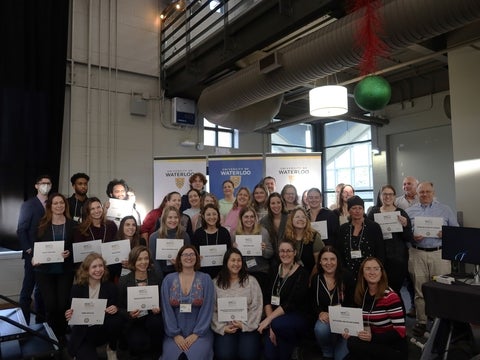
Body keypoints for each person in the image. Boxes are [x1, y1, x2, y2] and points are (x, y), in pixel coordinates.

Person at [405, 181, 458, 337]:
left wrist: (446, 233)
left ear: (433, 193)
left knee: (441, 289)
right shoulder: (409, 211)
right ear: (417, 193)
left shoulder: (445, 210)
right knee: (419, 289)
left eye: (428, 191)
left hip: (439, 254)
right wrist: (412, 238)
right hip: (417, 253)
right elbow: (405, 234)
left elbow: (456, 230)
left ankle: (441, 321)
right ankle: (421, 322)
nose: (425, 194)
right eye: (421, 192)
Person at [344, 257, 407, 360]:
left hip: (392, 347)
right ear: (362, 273)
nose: (372, 272)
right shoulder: (362, 295)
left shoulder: (390, 296)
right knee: (352, 343)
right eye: (368, 269)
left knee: (353, 344)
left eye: (376, 269)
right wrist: (350, 331)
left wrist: (372, 337)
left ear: (381, 273)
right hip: (372, 343)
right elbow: (360, 323)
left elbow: (400, 332)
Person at [33, 193, 76, 340]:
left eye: (61, 203)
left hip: (65, 271)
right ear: (50, 206)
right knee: (50, 305)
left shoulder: (72, 224)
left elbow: (75, 247)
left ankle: (61, 333)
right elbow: (35, 245)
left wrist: (69, 252)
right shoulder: (41, 224)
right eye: (55, 203)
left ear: (65, 205)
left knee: (63, 303)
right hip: (45, 271)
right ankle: (52, 335)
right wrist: (34, 258)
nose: (59, 206)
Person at [257, 240, 310, 360]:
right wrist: (271, 327)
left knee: (279, 328)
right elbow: (267, 297)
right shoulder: (274, 269)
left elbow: (291, 303)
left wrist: (269, 320)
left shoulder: (302, 273)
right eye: (282, 251)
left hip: (295, 316)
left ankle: (296, 343)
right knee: (270, 354)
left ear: (295, 252)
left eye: (288, 251)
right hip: (275, 319)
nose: (285, 254)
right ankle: (292, 347)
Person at [160, 245, 215, 360]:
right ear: (179, 258)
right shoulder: (168, 280)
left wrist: (196, 333)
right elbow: (166, 309)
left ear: (197, 258)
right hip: (173, 333)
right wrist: (175, 334)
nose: (189, 257)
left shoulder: (206, 279)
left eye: (192, 254)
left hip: (201, 333)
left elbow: (207, 308)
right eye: (185, 254)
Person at [65, 253, 123, 360]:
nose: (98, 269)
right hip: (84, 332)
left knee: (116, 320)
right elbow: (71, 311)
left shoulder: (110, 287)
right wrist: (69, 314)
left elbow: (116, 305)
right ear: (86, 270)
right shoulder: (77, 288)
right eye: (94, 266)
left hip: (101, 330)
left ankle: (111, 348)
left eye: (101, 266)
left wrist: (115, 308)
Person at [211, 248, 263, 360]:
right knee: (224, 355)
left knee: (248, 355)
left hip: (247, 326)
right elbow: (212, 309)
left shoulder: (251, 281)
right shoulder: (215, 283)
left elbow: (257, 307)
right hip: (225, 327)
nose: (236, 263)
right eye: (233, 260)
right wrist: (222, 328)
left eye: (239, 260)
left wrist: (244, 325)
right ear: (226, 262)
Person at [118, 246, 164, 358]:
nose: (143, 262)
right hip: (134, 321)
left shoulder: (156, 278)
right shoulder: (124, 280)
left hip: (152, 317)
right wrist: (129, 314)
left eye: (146, 258)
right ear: (133, 261)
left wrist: (159, 308)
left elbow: (162, 301)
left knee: (156, 325)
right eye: (139, 259)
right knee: (137, 344)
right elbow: (120, 307)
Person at [17, 174, 51, 323]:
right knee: (27, 289)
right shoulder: (28, 205)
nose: (46, 185)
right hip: (32, 254)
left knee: (42, 290)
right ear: (36, 186)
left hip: (49, 253)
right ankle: (23, 323)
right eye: (43, 183)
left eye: (48, 183)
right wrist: (28, 250)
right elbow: (21, 229)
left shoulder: (54, 203)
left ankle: (41, 321)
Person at [367, 185, 413, 294]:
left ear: (394, 196)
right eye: (385, 194)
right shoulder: (373, 213)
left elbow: (408, 237)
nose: (388, 197)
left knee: (394, 290)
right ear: (380, 196)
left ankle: (396, 310)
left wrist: (405, 225)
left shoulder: (401, 213)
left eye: (390, 194)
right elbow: (368, 235)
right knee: (378, 289)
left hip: (398, 258)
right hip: (379, 257)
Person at [311, 246, 355, 360]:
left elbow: (353, 303)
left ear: (337, 261)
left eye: (332, 259)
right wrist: (320, 312)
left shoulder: (347, 276)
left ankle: (340, 341)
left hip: (345, 320)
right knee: (320, 329)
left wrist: (345, 321)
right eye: (325, 259)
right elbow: (313, 302)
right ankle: (327, 350)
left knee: (340, 357)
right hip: (327, 319)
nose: (329, 263)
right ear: (320, 261)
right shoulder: (317, 278)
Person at [334, 196, 385, 283]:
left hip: (370, 272)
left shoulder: (373, 227)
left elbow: (380, 251)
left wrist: (378, 270)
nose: (357, 211)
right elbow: (339, 251)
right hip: (348, 272)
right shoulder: (344, 228)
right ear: (349, 210)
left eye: (360, 208)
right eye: (354, 208)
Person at [73, 197, 118, 281]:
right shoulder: (81, 230)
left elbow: (116, 246)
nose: (96, 211)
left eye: (98, 207)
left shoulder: (111, 226)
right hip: (89, 272)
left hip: (109, 270)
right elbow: (79, 256)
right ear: (88, 211)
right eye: (92, 209)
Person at [232, 206, 274, 290]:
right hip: (242, 272)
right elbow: (230, 257)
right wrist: (233, 250)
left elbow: (270, 254)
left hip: (260, 271)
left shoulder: (263, 231)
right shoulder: (235, 234)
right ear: (241, 218)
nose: (249, 219)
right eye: (246, 217)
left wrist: (264, 250)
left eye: (252, 217)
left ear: (255, 218)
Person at [149, 205, 191, 278]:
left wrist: (178, 264)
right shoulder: (154, 237)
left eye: (176, 217)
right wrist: (161, 281)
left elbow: (188, 258)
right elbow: (155, 262)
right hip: (161, 274)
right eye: (170, 217)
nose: (173, 220)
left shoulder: (184, 236)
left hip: (181, 274)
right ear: (164, 219)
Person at [192, 204, 232, 279]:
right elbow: (194, 253)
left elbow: (229, 252)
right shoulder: (198, 233)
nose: (212, 217)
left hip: (222, 274)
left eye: (214, 214)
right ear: (203, 216)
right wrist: (197, 257)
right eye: (208, 214)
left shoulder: (224, 232)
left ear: (218, 216)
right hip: (202, 274)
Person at [283, 206, 324, 276]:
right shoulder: (286, 238)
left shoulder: (314, 237)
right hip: (290, 277)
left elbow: (318, 263)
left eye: (303, 217)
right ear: (291, 220)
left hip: (310, 277)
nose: (300, 219)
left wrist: (310, 280)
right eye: (297, 217)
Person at [260, 192, 289, 262]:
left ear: (282, 203)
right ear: (269, 205)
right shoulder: (263, 221)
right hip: (270, 260)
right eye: (273, 203)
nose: (276, 205)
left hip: (288, 256)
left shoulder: (289, 219)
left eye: (278, 202)